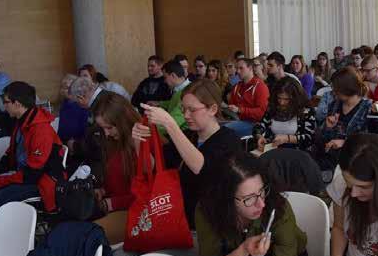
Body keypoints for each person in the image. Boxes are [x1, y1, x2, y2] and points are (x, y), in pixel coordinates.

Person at [133, 79, 243, 225]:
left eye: (192, 110)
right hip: (178, 219)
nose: (186, 115)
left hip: (210, 223)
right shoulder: (187, 136)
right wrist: (138, 141)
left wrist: (170, 124)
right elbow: (151, 168)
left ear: (213, 109)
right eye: (183, 109)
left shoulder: (229, 139)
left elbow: (200, 167)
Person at [0, 82, 64, 215]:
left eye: (5, 102)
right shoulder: (21, 122)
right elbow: (8, 159)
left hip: (41, 183)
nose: (3, 106)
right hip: (24, 176)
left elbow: (32, 174)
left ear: (17, 104)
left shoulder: (40, 129)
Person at [91, 92, 140, 244]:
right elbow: (117, 179)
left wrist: (112, 203)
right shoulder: (116, 141)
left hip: (134, 212)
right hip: (117, 207)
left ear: (123, 121)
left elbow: (145, 194)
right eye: (103, 128)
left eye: (110, 128)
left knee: (86, 237)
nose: (106, 133)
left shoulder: (139, 142)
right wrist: (103, 191)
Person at [313, 67, 372, 172]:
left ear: (347, 88)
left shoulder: (368, 108)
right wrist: (327, 127)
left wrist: (345, 142)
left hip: (355, 163)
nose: (333, 91)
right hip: (330, 161)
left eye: (335, 88)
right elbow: (323, 139)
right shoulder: (334, 105)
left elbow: (370, 142)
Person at [253, 77, 316, 152]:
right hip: (273, 149)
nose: (281, 102)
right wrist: (259, 136)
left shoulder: (306, 111)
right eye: (279, 98)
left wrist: (287, 138)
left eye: (286, 99)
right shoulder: (273, 107)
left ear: (295, 98)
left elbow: (309, 138)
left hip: (297, 153)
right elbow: (260, 125)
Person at [226, 58, 269, 137]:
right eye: (237, 68)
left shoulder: (260, 86)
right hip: (237, 120)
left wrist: (240, 110)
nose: (238, 71)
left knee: (225, 130)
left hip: (254, 124)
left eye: (241, 68)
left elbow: (260, 113)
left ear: (250, 68)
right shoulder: (236, 87)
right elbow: (232, 107)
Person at [153, 60, 191, 138]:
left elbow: (172, 122)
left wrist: (151, 126)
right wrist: (159, 103)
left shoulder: (187, 93)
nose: (164, 81)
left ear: (173, 75)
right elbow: (174, 103)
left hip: (184, 136)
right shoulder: (182, 89)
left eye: (165, 77)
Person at [57, 74, 89, 144]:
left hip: (76, 142)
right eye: (65, 87)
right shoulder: (65, 103)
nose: (68, 91)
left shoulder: (80, 105)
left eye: (70, 88)